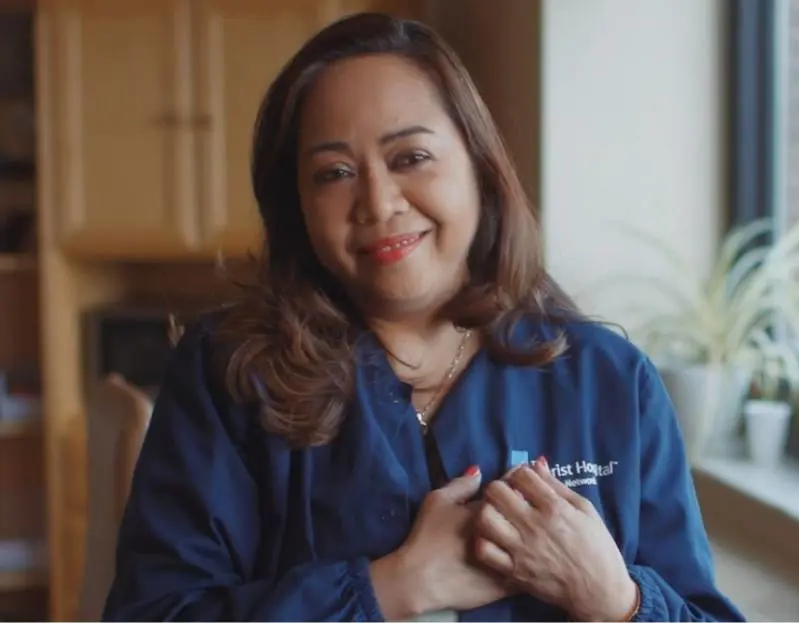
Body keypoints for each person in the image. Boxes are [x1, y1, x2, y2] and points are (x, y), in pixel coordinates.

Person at [102, 12, 745, 623]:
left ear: (479, 166)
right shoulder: (231, 377)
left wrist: (617, 600)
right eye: (334, 173)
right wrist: (393, 586)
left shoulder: (610, 382)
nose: (378, 203)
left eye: (410, 158)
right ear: (295, 205)